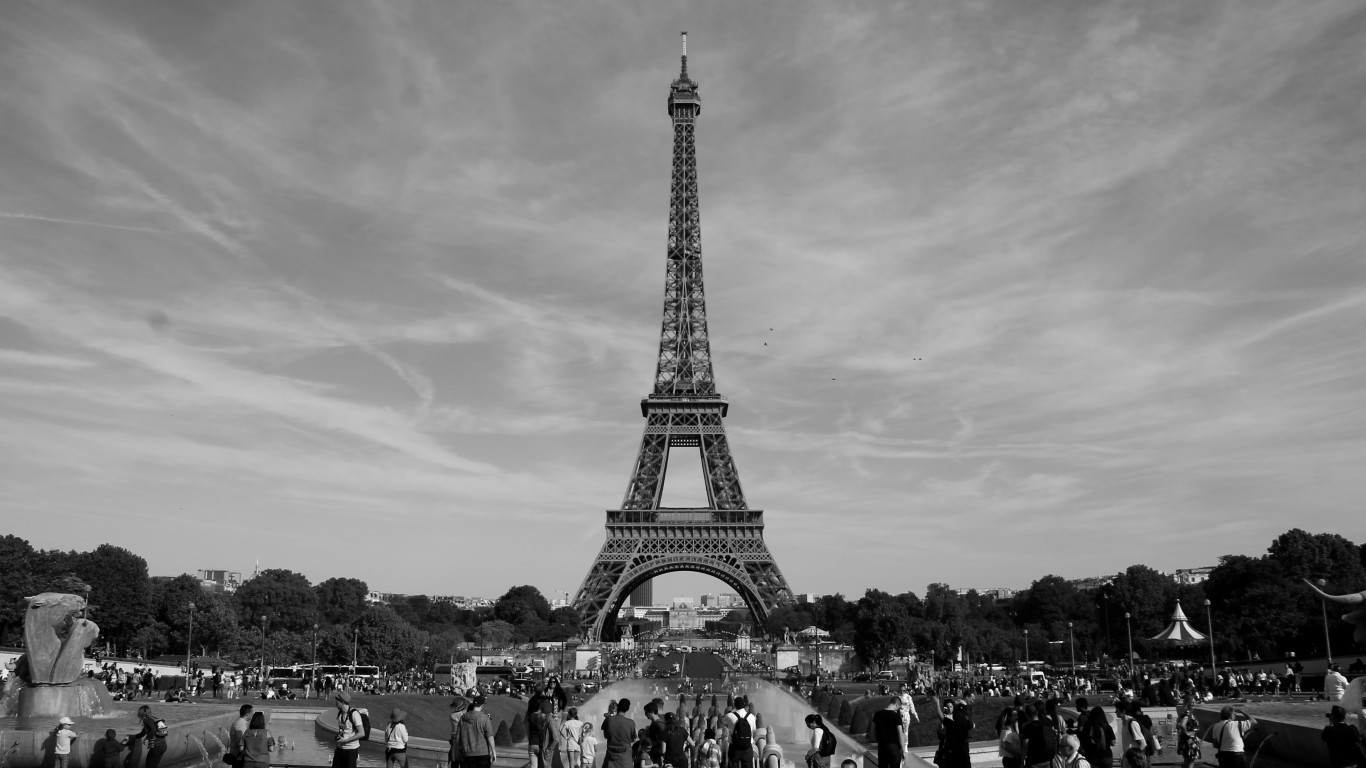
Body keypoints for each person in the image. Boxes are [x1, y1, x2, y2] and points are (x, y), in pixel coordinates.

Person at [457, 695, 497, 768]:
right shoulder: (485, 718)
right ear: (482, 705)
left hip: (467, 753)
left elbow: (458, 736)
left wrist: (457, 751)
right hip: (482, 753)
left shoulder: (463, 717)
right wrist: (493, 751)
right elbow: (489, 736)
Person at [936, 698, 974, 768]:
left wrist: (937, 703)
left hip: (954, 752)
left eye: (951, 707)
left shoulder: (953, 723)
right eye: (947, 707)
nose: (950, 709)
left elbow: (940, 716)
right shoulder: (967, 721)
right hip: (963, 753)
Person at [333, 690, 367, 768]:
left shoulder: (354, 714)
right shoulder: (340, 713)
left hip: (351, 750)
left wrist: (346, 740)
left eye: (337, 701)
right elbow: (343, 729)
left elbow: (362, 733)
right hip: (340, 748)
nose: (336, 703)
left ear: (342, 702)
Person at [723, 696, 756, 768]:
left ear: (734, 705)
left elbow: (723, 721)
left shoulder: (729, 715)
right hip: (747, 747)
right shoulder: (751, 716)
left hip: (734, 747)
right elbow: (754, 729)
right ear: (744, 705)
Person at [872, 696, 905, 768]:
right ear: (896, 705)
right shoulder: (896, 716)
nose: (898, 709)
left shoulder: (878, 714)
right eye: (898, 707)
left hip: (881, 746)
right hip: (893, 747)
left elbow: (874, 730)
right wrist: (903, 750)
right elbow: (900, 734)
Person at [605, 699, 638, 768]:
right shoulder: (631, 723)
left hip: (611, 758)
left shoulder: (608, 720)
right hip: (625, 759)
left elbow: (606, 735)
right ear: (628, 709)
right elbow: (634, 739)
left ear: (618, 706)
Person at [530, 698, 562, 768]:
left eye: (541, 711)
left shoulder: (550, 720)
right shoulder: (546, 720)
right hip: (547, 752)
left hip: (551, 754)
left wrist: (548, 750)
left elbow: (556, 739)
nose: (539, 713)